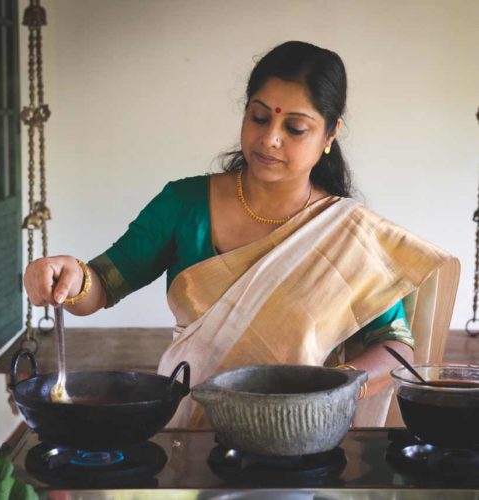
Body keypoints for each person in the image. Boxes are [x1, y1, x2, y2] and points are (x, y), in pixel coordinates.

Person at [24, 41, 459, 427]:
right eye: (258, 116)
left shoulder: (346, 233)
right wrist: (67, 276)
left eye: (295, 128)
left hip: (295, 436)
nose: (269, 138)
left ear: (330, 134)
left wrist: (331, 391)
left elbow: (399, 349)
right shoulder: (183, 203)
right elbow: (105, 281)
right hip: (187, 422)